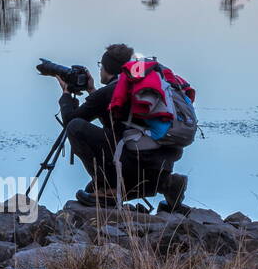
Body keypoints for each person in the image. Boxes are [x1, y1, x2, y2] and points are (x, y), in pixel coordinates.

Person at [53, 42, 187, 208]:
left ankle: (109, 188)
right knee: (92, 189)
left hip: (133, 168)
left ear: (107, 68)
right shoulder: (136, 88)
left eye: (101, 66)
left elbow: (69, 122)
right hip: (157, 169)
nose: (100, 69)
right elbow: (116, 124)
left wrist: (66, 96)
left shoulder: (110, 92)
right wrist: (91, 90)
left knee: (76, 127)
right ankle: (168, 183)